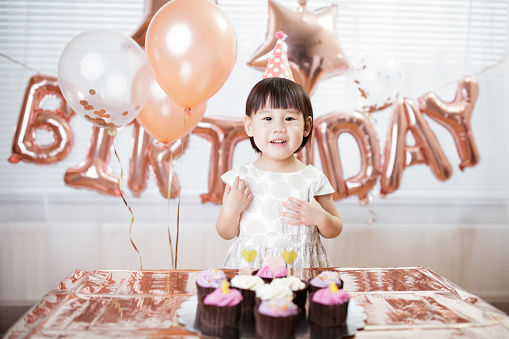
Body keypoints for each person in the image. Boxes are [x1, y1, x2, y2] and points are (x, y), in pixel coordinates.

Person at [216, 75, 343, 268]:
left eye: (289, 118)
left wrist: (321, 218)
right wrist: (231, 210)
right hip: (252, 268)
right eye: (268, 118)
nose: (279, 128)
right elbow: (225, 233)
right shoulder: (240, 179)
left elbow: (335, 229)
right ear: (250, 125)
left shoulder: (313, 179)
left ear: (307, 126)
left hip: (301, 268)